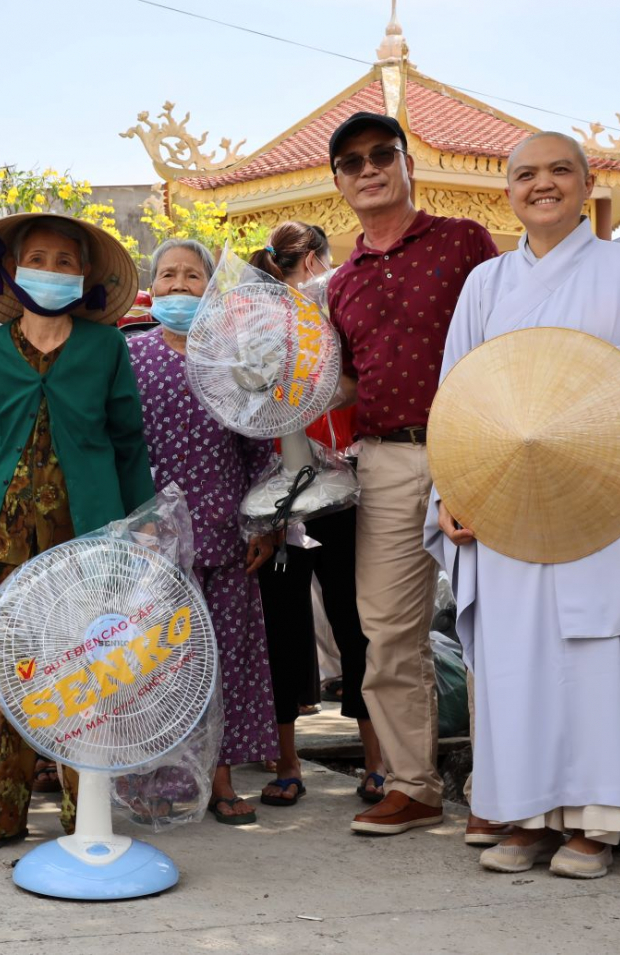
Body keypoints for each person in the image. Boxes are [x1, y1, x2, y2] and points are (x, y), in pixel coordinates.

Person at [427, 132, 620, 879]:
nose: (542, 185)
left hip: (604, 494)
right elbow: (459, 394)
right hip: (506, 499)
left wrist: (569, 416)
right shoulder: (486, 284)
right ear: (509, 190)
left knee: (597, 651)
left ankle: (597, 823)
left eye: (559, 172)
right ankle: (527, 815)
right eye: (525, 175)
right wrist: (451, 489)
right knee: (517, 658)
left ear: (586, 184)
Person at [0, 212, 152, 851]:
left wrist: (141, 530)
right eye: (39, 258)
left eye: (67, 262)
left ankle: (81, 813)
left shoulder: (105, 345)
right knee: (6, 673)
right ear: (13, 270)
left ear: (84, 276)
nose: (53, 271)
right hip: (3, 537)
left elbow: (127, 443)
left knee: (82, 669)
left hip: (87, 536)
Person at [323, 112, 501, 838]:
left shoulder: (465, 241)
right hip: (388, 458)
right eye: (352, 162)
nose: (368, 169)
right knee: (387, 629)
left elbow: (503, 336)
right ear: (338, 182)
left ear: (405, 164)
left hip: (478, 444)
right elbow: (340, 383)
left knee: (500, 619)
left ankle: (505, 788)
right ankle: (414, 785)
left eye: (380, 155)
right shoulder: (341, 284)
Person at [128, 237, 280, 825]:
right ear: (152, 285)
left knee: (223, 659)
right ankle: (156, 778)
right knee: (156, 663)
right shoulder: (129, 357)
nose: (177, 286)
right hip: (149, 540)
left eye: (192, 276)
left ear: (211, 288)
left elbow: (261, 443)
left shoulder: (231, 358)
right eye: (166, 275)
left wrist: (264, 524)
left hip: (225, 532)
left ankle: (219, 780)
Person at [246, 221, 375, 808]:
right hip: (279, 491)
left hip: (340, 486)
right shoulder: (251, 330)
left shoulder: (341, 317)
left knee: (343, 623)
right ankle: (367, 763)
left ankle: (294, 765)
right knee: (310, 624)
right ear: (318, 259)